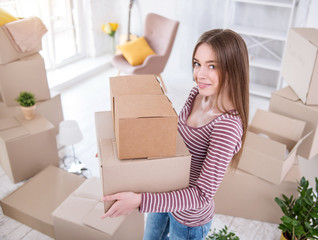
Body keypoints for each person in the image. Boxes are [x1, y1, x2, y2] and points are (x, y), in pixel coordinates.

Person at [101, 28, 249, 240]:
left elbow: (202, 195)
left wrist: (141, 200)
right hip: (162, 195)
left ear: (233, 70)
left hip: (189, 219)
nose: (200, 75)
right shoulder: (196, 95)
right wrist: (117, 153)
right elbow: (170, 139)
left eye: (212, 66)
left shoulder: (227, 127)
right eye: (197, 63)